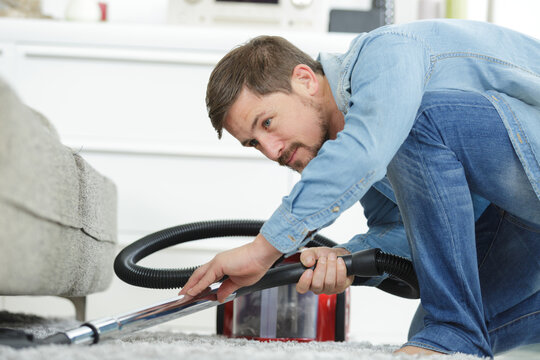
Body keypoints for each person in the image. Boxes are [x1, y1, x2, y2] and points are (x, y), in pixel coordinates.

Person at [179, 19, 540, 358]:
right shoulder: (362, 151)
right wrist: (347, 260)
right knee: (430, 338)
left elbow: (365, 152)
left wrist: (263, 250)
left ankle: (454, 329)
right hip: (517, 215)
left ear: (305, 80)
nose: (272, 151)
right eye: (254, 143)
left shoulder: (387, 53)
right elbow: (409, 230)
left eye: (268, 122)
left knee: (450, 327)